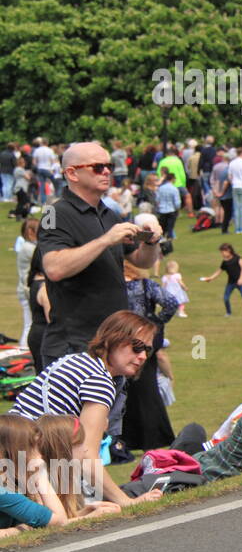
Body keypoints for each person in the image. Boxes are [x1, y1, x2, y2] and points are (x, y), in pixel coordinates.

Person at [10, 311, 165, 507]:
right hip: (25, 468)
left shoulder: (78, 361)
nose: (142, 356)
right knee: (103, 503)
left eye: (147, 351)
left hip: (14, 457)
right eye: (136, 347)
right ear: (112, 339)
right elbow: (86, 455)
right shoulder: (99, 380)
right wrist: (126, 502)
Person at [38, 142, 162, 364]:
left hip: (112, 343)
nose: (106, 171)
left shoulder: (108, 214)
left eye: (109, 165)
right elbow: (54, 268)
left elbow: (141, 261)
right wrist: (105, 240)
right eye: (97, 167)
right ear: (72, 173)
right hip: (74, 345)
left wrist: (152, 242)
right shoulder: (53, 213)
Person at [122, 261, 178, 451]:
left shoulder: (112, 289)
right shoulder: (145, 285)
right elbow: (171, 303)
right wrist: (155, 322)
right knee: (147, 388)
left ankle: (128, 439)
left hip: (121, 341)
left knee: (125, 392)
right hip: (146, 339)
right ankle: (153, 438)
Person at [199, 243, 242, 317]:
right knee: (226, 298)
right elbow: (218, 271)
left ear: (228, 250)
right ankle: (228, 313)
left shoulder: (237, 258)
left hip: (240, 282)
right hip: (230, 283)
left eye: (223, 252)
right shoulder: (224, 262)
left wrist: (241, 278)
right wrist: (210, 278)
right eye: (221, 252)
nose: (222, 254)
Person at [14, 217, 37, 347]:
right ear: (30, 232)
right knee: (30, 324)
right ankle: (24, 349)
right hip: (27, 290)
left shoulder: (27, 246)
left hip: (25, 289)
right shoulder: (28, 248)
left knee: (30, 323)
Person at [154, 169, 181, 239]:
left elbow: (157, 199)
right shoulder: (174, 189)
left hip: (162, 210)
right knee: (170, 227)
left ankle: (161, 238)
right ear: (172, 179)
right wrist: (177, 209)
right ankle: (169, 239)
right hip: (171, 210)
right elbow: (177, 202)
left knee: (162, 226)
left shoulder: (161, 188)